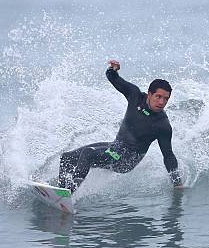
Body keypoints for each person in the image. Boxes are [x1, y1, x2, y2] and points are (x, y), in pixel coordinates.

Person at [58, 59, 183, 192]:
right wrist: (113, 69)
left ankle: (69, 192)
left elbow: (168, 155)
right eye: (158, 97)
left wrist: (177, 183)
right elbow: (112, 78)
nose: (161, 102)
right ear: (150, 94)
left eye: (165, 99)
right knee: (67, 158)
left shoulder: (162, 125)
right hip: (116, 147)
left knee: (88, 153)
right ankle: (60, 191)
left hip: (127, 159)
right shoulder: (135, 95)